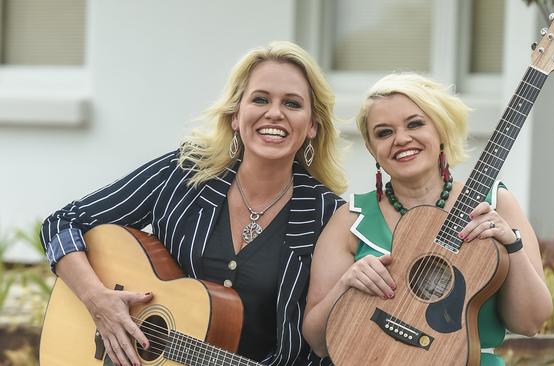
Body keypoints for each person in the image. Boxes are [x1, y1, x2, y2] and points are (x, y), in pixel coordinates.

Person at [40, 41, 346, 366]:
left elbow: (324, 342)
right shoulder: (184, 173)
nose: (274, 113)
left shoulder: (327, 216)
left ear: (312, 125)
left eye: (292, 104)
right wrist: (98, 301)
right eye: (260, 99)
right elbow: (62, 223)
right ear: (235, 116)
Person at [302, 73, 553, 366]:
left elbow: (530, 323)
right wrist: (346, 283)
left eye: (415, 124)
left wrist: (511, 247)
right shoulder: (350, 220)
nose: (402, 139)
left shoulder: (494, 205)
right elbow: (317, 342)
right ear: (372, 149)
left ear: (441, 130)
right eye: (384, 133)